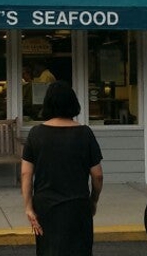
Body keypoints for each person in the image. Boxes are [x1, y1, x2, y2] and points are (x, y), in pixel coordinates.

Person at [21, 81, 104, 256]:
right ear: (73, 103)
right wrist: (93, 201)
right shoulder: (85, 133)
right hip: (78, 205)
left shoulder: (36, 133)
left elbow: (26, 173)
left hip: (46, 207)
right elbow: (97, 176)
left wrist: (29, 207)